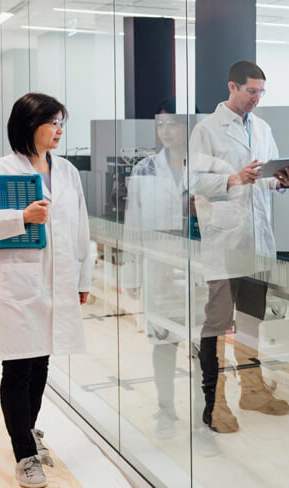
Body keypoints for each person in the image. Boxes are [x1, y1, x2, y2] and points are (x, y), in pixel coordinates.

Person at [0, 93, 91, 488]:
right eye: (52, 122)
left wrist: (83, 280)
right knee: (17, 368)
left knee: (40, 365)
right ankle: (24, 455)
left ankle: (27, 432)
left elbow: (80, 226)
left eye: (60, 122)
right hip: (18, 285)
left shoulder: (67, 171)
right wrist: (21, 217)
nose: (59, 130)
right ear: (27, 125)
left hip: (57, 284)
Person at [189, 60, 289, 438]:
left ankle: (252, 391)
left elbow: (265, 182)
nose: (256, 98)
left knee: (251, 320)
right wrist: (234, 179)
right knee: (219, 324)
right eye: (251, 91)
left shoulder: (264, 129)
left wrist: (282, 181)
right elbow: (195, 182)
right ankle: (215, 403)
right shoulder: (207, 130)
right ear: (232, 86)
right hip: (224, 241)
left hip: (257, 240)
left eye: (261, 93)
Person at [121, 99, 198, 444]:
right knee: (163, 341)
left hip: (197, 266)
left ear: (187, 128)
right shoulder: (144, 170)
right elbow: (132, 224)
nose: (166, 131)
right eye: (161, 124)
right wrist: (131, 273)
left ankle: (202, 416)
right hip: (159, 266)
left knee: (201, 346)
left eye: (173, 124)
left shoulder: (203, 167)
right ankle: (166, 410)